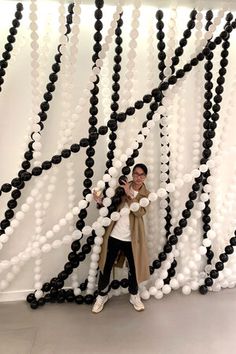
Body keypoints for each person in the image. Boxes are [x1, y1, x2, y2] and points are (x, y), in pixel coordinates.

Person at [92, 163, 150, 313]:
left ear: (145, 177)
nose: (138, 177)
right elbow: (110, 207)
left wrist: (129, 194)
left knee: (134, 268)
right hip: (114, 235)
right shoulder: (121, 187)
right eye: (136, 174)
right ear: (132, 173)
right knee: (105, 265)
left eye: (141, 175)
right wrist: (100, 202)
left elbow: (139, 212)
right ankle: (102, 295)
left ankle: (134, 295)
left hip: (132, 239)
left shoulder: (146, 194)